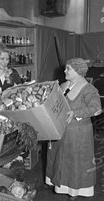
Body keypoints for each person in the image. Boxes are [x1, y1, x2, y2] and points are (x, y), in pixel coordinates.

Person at [45, 58, 102, 201]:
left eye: (68, 69)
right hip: (61, 131)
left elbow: (96, 109)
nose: (65, 71)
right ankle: (60, 186)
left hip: (78, 134)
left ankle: (75, 192)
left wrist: (76, 113)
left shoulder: (89, 89)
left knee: (75, 163)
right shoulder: (63, 85)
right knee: (60, 160)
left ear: (78, 71)